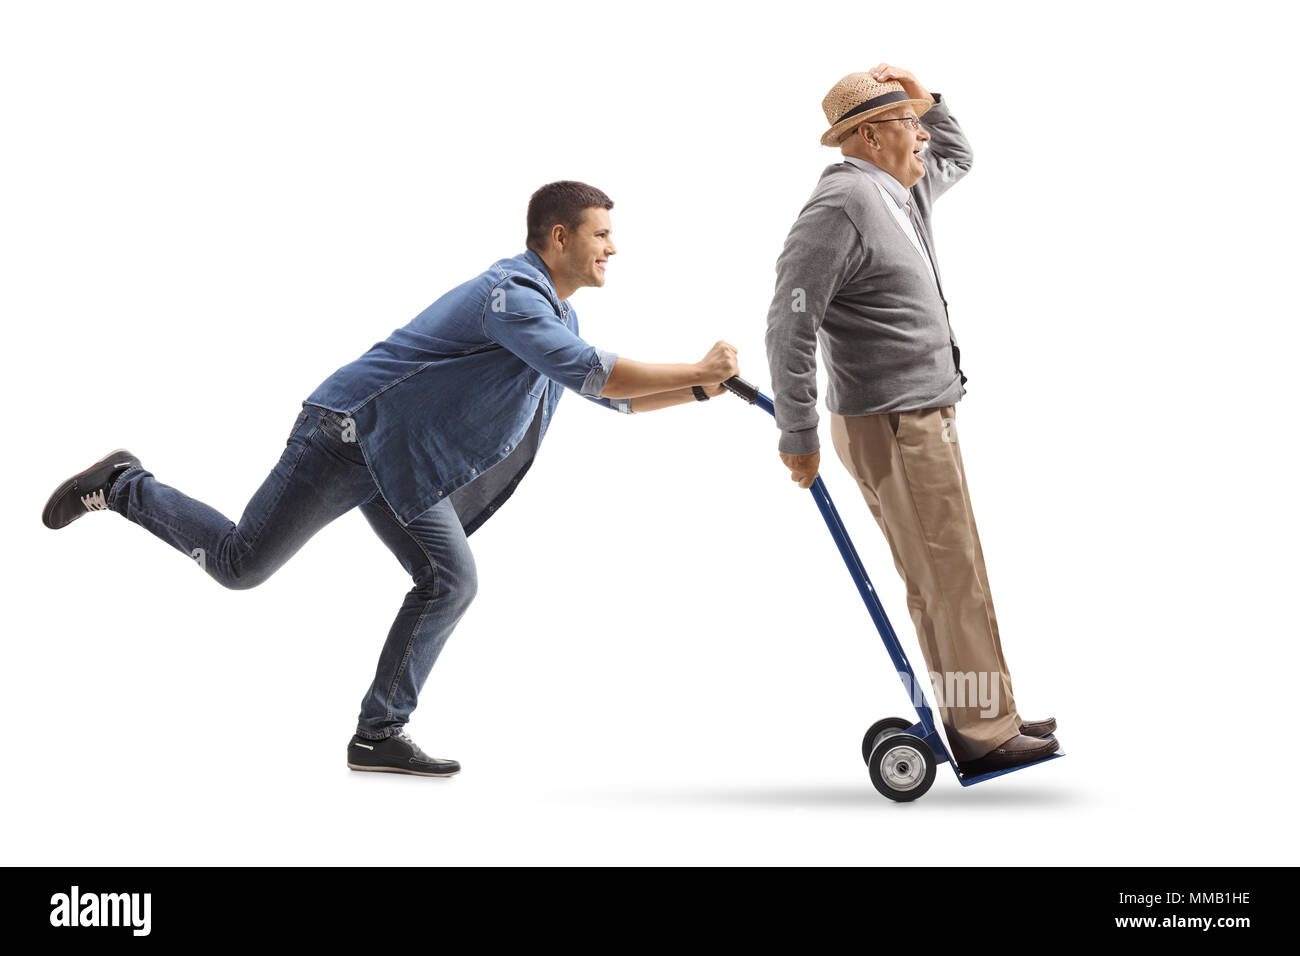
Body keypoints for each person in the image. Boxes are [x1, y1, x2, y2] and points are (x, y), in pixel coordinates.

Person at [43, 180, 740, 777]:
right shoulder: (512, 297)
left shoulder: (559, 313)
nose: (613, 247)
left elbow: (608, 395)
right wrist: (697, 370)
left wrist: (703, 392)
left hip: (404, 462)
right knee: (238, 566)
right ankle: (125, 482)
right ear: (559, 237)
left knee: (451, 580)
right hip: (346, 438)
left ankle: (377, 735)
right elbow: (601, 372)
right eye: (603, 234)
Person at [763, 65, 1058, 776]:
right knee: (945, 578)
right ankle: (983, 731)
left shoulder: (898, 191)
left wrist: (928, 97)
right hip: (893, 422)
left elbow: (956, 154)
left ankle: (992, 710)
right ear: (866, 135)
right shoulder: (842, 206)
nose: (922, 133)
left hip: (926, 410)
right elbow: (789, 323)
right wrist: (798, 435)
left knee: (959, 572)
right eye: (906, 122)